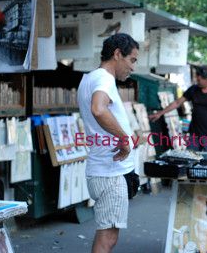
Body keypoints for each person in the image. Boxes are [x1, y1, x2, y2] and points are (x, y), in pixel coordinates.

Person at [77, 33, 139, 253]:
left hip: (104, 170)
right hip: (109, 173)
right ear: (117, 54)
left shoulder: (89, 78)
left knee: (107, 234)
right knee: (108, 238)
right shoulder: (103, 78)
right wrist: (124, 139)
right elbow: (98, 109)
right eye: (132, 60)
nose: (132, 67)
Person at [149, 66, 207, 151]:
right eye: (197, 79)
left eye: (200, 80)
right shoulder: (193, 89)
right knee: (191, 159)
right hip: (194, 135)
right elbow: (177, 103)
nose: (198, 82)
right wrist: (160, 113)